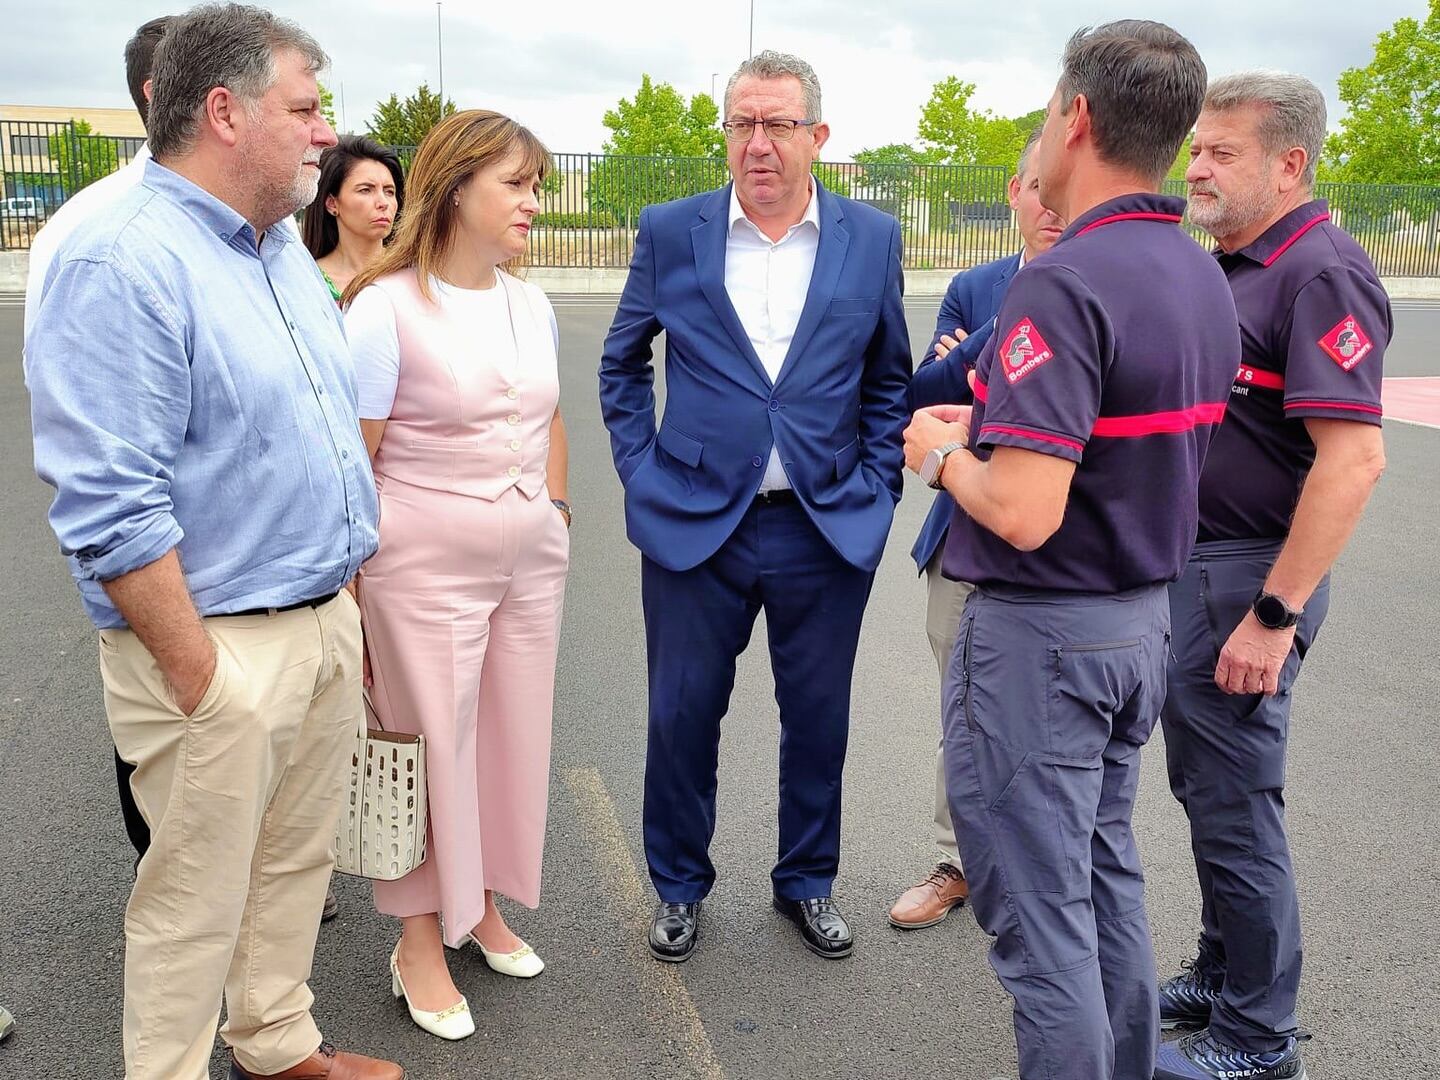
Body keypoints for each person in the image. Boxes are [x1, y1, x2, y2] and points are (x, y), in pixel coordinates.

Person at [24, 5, 400, 1079]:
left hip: (318, 618)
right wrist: (201, 677)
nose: (327, 133)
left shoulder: (277, 245)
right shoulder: (121, 258)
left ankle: (276, 1044)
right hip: (215, 646)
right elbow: (108, 502)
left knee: (289, 871)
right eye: (307, 108)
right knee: (191, 909)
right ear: (226, 113)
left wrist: (345, 610)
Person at [902, 21, 1237, 1079]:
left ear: (1078, 118)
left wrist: (943, 456)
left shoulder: (1062, 280)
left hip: (1044, 638)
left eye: (1049, 108)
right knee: (1103, 885)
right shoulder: (1196, 274)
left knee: (1042, 931)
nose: (1044, 130)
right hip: (1137, 618)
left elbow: (1025, 508)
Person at [599, 50, 911, 964]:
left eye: (777, 124)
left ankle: (807, 881)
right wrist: (641, 471)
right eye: (742, 124)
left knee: (819, 716)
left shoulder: (873, 238)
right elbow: (622, 362)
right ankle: (679, 887)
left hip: (824, 522)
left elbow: (888, 377)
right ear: (726, 134)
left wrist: (878, 485)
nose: (758, 143)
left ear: (817, 136)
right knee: (682, 713)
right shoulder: (671, 231)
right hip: (697, 522)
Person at [1154, 72, 1389, 1080]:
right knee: (1211, 795)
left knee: (1239, 805)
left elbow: (1354, 461)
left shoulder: (1320, 272)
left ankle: (1258, 1037)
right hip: (1202, 571)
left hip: (1249, 580)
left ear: (1289, 165)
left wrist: (1274, 614)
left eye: (1222, 152)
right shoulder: (1236, 264)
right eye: (1196, 149)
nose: (1196, 167)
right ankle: (1221, 974)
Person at [343, 109, 570, 1041]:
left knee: (507, 739)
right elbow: (352, 461)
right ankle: (418, 941)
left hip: (528, 558)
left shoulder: (532, 300)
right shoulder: (384, 306)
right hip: (419, 565)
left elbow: (551, 417)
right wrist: (351, 591)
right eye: (516, 184)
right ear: (457, 186)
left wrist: (555, 511)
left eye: (536, 186)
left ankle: (479, 904)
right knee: (427, 749)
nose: (532, 203)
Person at [888, 125, 1065, 932]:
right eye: (1037, 187)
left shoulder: (1102, 284)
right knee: (964, 714)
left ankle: (1040, 872)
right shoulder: (978, 286)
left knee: (1053, 718)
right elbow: (925, 400)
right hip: (966, 537)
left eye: (1061, 186)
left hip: (1063, 547)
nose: (1051, 204)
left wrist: (976, 369)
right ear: (1015, 194)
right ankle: (959, 861)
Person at [22, 13, 173, 865]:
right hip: (160, 566)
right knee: (159, 727)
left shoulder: (251, 232)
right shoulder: (94, 233)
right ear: (169, 94)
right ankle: (165, 867)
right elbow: (74, 417)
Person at [302, 135, 404, 301]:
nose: (383, 203)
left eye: (389, 191)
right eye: (365, 190)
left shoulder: (414, 272)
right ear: (332, 203)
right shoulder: (308, 280)